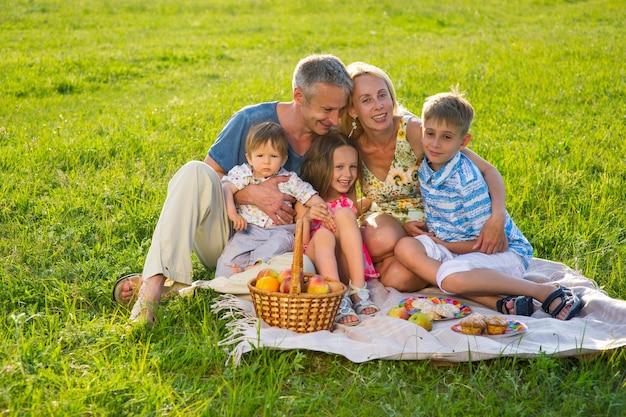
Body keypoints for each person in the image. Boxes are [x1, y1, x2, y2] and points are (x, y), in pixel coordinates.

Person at [112, 54, 353, 325]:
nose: (335, 120)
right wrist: (249, 194)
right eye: (327, 110)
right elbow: (210, 180)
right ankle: (152, 288)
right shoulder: (250, 120)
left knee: (302, 272)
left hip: (276, 247)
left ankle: (189, 290)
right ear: (299, 96)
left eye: (341, 110)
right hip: (229, 231)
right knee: (194, 171)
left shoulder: (332, 140)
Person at [393, 90, 583, 320]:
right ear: (422, 132)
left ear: (463, 142)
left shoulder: (467, 181)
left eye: (446, 137)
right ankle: (503, 302)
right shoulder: (428, 165)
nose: (435, 143)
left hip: (502, 252)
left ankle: (543, 291)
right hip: (457, 248)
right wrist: (436, 236)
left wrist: (443, 244)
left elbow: (493, 243)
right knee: (405, 247)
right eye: (430, 134)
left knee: (449, 276)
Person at [340, 62, 510, 294]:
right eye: (366, 100)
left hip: (429, 229)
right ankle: (407, 263)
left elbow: (487, 170)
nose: (379, 106)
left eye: (383, 95)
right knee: (380, 237)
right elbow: (349, 203)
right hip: (385, 226)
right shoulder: (352, 146)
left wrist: (497, 217)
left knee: (396, 279)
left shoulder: (415, 132)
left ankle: (423, 266)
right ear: (352, 110)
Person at [217, 121, 329, 277]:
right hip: (249, 231)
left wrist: (319, 206)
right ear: (249, 158)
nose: (266, 161)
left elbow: (309, 195)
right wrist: (232, 213)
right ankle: (225, 282)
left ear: (283, 159)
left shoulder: (289, 179)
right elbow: (226, 188)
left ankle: (253, 268)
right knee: (231, 255)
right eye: (260, 155)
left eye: (273, 156)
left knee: (281, 242)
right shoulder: (244, 174)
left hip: (280, 231)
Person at [298, 132, 379, 325]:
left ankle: (358, 291)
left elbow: (357, 210)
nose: (348, 174)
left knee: (344, 214)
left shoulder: (346, 197)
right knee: (324, 234)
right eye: (339, 167)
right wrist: (308, 218)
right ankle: (337, 297)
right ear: (322, 166)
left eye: (352, 167)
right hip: (318, 268)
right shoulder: (306, 199)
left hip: (346, 269)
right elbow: (301, 244)